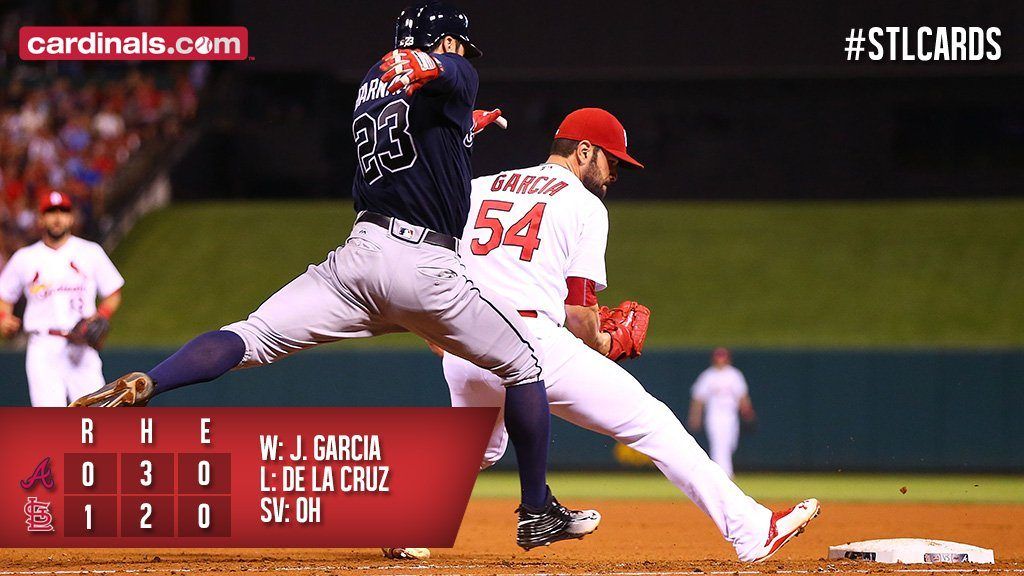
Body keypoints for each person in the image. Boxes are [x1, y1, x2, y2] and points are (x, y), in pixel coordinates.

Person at [70, 1, 598, 551]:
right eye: (458, 45)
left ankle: (151, 381)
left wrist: (465, 123)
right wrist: (437, 67)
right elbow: (451, 72)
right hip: (426, 267)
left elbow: (426, 124)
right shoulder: (446, 67)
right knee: (523, 364)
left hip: (356, 260)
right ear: (442, 41)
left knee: (250, 335)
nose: (464, 56)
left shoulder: (373, 84)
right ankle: (537, 510)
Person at [398, 108, 817, 562]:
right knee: (652, 422)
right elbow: (579, 314)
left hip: (466, 345)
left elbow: (422, 267)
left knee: (478, 447)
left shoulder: (478, 187)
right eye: (611, 161)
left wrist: (438, 333)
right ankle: (751, 530)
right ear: (583, 151)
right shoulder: (583, 205)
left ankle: (403, 525)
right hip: (528, 341)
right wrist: (603, 344)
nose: (614, 173)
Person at [0, 191, 123, 406]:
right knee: (50, 423)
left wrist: (101, 315)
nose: (57, 217)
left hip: (82, 346)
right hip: (43, 346)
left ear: (71, 217)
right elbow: (4, 296)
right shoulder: (25, 257)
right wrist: (3, 318)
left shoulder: (90, 252)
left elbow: (113, 292)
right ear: (40, 218)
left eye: (63, 211)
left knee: (97, 415)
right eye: (51, 211)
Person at [688, 347, 757, 478]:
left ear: (727, 359)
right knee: (718, 444)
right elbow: (698, 399)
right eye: (718, 357)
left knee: (730, 444)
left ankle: (721, 471)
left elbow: (742, 396)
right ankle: (723, 474)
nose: (720, 360)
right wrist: (695, 417)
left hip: (731, 415)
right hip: (714, 415)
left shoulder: (734, 375)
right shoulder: (708, 376)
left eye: (723, 357)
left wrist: (747, 410)